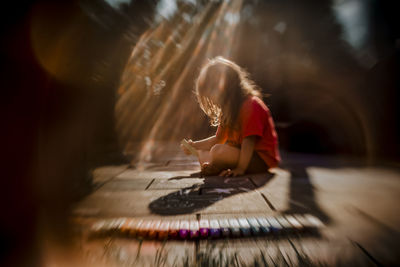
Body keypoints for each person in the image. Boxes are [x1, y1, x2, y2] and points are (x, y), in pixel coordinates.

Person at [181, 56, 280, 176]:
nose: (213, 100)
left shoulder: (251, 105)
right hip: (241, 154)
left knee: (218, 151)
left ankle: (217, 166)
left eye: (212, 95)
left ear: (227, 88)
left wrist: (240, 169)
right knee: (205, 152)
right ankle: (215, 166)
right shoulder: (229, 110)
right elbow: (218, 139)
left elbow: (249, 142)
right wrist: (194, 146)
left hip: (261, 160)